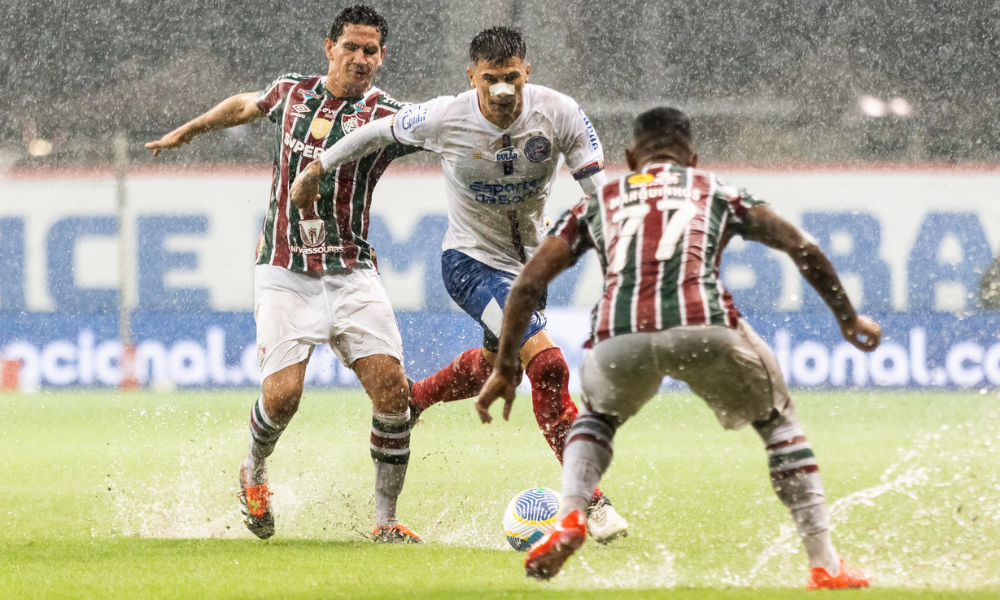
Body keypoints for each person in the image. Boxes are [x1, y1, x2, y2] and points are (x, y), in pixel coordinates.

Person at [476, 107, 882, 588]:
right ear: (691, 156)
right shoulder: (715, 190)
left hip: (618, 333)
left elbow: (526, 285)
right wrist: (847, 317)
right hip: (703, 325)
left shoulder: (600, 200)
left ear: (630, 156)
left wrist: (505, 366)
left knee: (594, 420)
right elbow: (804, 248)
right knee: (778, 423)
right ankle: (825, 565)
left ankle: (569, 518)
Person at [291, 26, 628, 542]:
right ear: (471, 76)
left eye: (512, 78)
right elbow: (375, 132)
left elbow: (598, 196)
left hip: (530, 273)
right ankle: (592, 501)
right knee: (550, 366)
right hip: (469, 265)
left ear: (527, 73)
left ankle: (416, 397)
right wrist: (319, 165)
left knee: (502, 370)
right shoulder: (446, 117)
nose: (502, 92)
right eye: (490, 80)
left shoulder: (559, 112)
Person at [145, 5, 422, 543]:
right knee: (283, 397)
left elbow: (443, 132)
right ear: (329, 47)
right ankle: (253, 467)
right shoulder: (293, 93)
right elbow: (245, 105)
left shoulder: (388, 116)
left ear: (382, 56)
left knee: (393, 394)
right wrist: (192, 128)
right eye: (351, 47)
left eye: (371, 51)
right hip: (284, 269)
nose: (360, 58)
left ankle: (385, 522)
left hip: (351, 269)